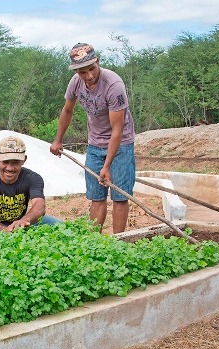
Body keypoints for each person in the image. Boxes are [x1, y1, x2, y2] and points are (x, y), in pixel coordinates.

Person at [49, 42, 136, 233]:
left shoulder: (113, 85)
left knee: (120, 195)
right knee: (97, 196)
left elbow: (117, 130)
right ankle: (94, 243)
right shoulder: (75, 83)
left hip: (121, 144)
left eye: (92, 69)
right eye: (82, 72)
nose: (89, 76)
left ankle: (118, 242)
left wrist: (107, 166)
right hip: (95, 144)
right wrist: (58, 139)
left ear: (98, 62)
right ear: (75, 71)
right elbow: (68, 110)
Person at [0, 135, 62, 235]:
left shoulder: (33, 178)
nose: (10, 168)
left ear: (24, 159)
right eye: (5, 162)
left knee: (61, 226)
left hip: (19, 221)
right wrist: (5, 231)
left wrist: (24, 221)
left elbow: (39, 206)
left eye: (15, 162)